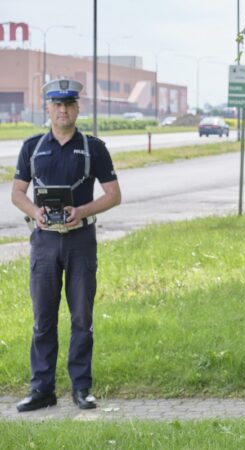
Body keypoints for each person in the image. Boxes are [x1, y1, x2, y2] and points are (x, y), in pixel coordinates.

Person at [11, 79, 121, 412]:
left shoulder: (93, 148)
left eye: (69, 104)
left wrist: (82, 211)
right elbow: (17, 193)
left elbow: (114, 194)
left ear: (77, 107)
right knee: (43, 319)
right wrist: (35, 212)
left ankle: (81, 389)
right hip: (44, 242)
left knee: (81, 318)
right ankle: (42, 389)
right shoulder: (32, 147)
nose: (63, 110)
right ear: (47, 108)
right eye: (57, 104)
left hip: (80, 242)